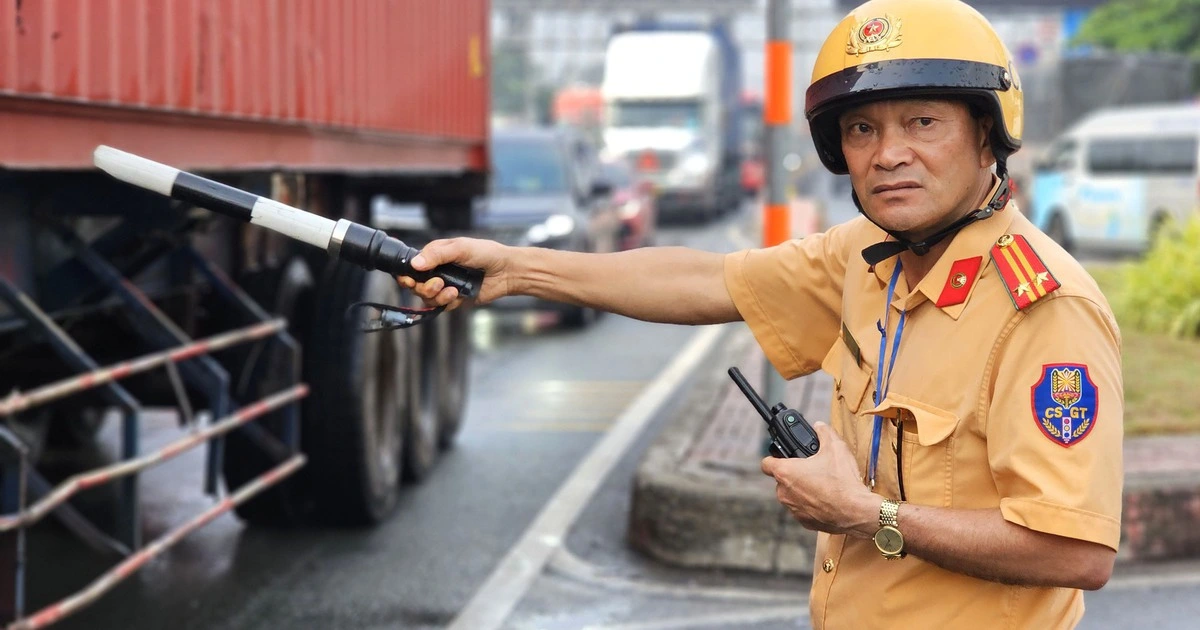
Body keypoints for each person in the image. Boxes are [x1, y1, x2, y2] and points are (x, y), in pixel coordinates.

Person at [398, 0, 1122, 627]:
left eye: (922, 121)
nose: (888, 153)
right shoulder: (867, 257)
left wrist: (871, 518)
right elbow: (707, 280)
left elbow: (1076, 551)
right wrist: (518, 269)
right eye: (862, 130)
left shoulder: (1044, 309)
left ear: (988, 132)